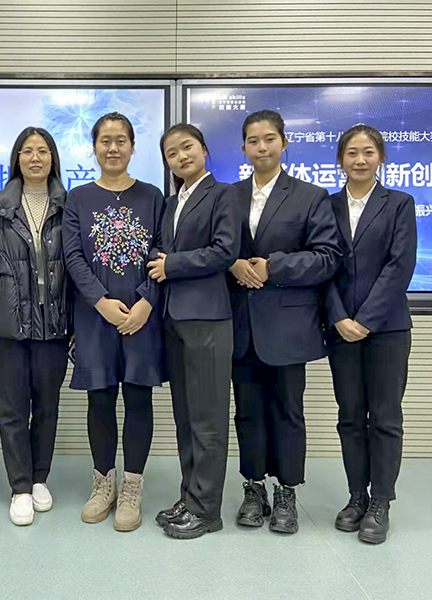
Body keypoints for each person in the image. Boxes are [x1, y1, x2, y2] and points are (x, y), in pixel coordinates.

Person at [228, 109, 342, 534]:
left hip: (288, 327)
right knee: (247, 412)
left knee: (288, 412)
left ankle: (286, 493)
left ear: (284, 143)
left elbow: (327, 258)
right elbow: (216, 249)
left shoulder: (310, 196)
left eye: (269, 139)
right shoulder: (229, 196)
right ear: (243, 147)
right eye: (253, 140)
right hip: (240, 324)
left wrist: (273, 266)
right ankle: (253, 488)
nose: (262, 147)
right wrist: (233, 264)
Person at [62, 111, 165, 532]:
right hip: (95, 318)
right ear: (94, 147)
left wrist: (146, 302)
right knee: (100, 400)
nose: (113, 148)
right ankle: (103, 484)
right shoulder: (78, 197)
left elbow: (162, 253)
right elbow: (72, 256)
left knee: (139, 399)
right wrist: (101, 301)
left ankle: (132, 488)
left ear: (133, 147)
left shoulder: (153, 196)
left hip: (142, 318)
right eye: (105, 140)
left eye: (121, 140)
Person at [0, 127, 70, 526]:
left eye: (42, 150)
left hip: (54, 327)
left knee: (47, 409)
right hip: (9, 327)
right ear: (17, 158)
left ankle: (39, 477)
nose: (35, 157)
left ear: (52, 157)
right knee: (11, 410)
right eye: (27, 151)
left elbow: (77, 267)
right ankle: (20, 487)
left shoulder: (68, 204)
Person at [323, 124, 417, 545]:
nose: (359, 160)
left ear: (380, 157)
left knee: (385, 416)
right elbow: (323, 265)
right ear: (340, 159)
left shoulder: (399, 203)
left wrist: (366, 319)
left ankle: (381, 501)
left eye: (368, 152)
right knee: (349, 415)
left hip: (387, 328)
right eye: (351, 152)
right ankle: (356, 495)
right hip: (340, 328)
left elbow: (400, 265)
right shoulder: (326, 206)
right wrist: (339, 316)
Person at [148, 124, 240, 539]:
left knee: (208, 420)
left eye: (187, 147)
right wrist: (159, 257)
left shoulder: (224, 195)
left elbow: (225, 251)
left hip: (208, 320)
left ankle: (207, 510)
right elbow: (159, 247)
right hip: (174, 320)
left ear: (204, 149)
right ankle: (189, 497)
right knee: (185, 418)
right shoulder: (171, 202)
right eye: (172, 153)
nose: (181, 157)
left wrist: (172, 264)